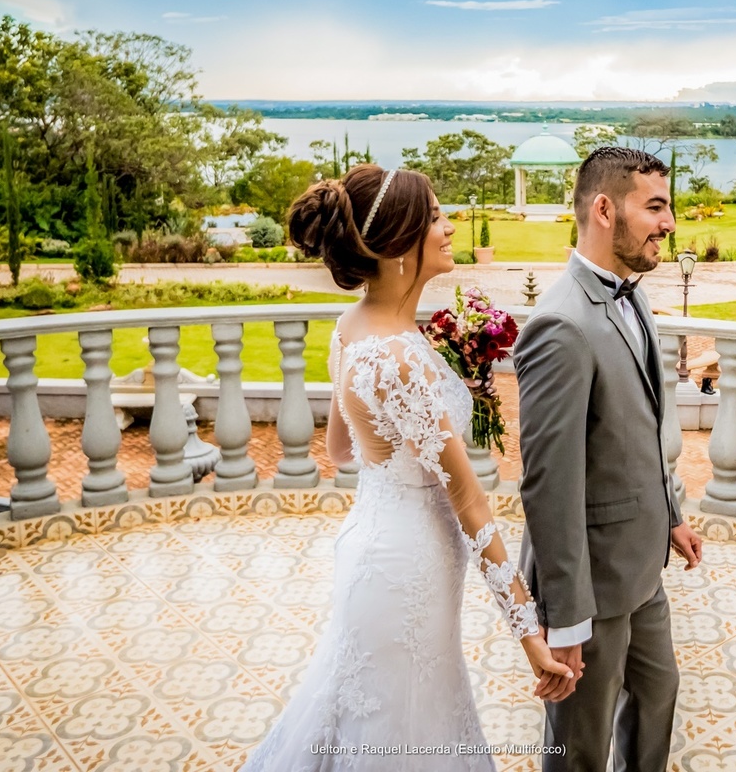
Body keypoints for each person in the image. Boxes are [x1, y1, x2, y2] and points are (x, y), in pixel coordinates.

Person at [244, 165, 573, 770]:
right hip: (409, 573)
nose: (450, 229)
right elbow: (472, 505)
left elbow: (344, 451)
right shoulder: (401, 359)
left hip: (375, 548)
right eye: (438, 218)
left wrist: (429, 409)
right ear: (398, 244)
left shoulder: (355, 330)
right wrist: (532, 639)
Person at [514, 147, 704, 772]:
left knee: (658, 695)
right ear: (603, 209)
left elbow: (641, 431)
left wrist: (670, 513)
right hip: (590, 587)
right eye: (655, 206)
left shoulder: (634, 295)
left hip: (642, 565)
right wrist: (565, 622)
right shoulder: (561, 326)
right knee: (581, 749)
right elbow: (548, 485)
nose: (669, 221)